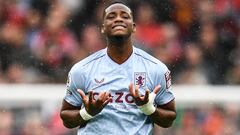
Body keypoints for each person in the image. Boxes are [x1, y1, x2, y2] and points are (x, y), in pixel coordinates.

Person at [60, 1, 176, 135]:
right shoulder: (82, 70)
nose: (119, 19)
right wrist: (87, 113)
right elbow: (66, 119)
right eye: (111, 16)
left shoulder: (156, 69)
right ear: (103, 28)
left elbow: (169, 119)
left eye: (125, 16)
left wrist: (148, 109)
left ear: (133, 27)